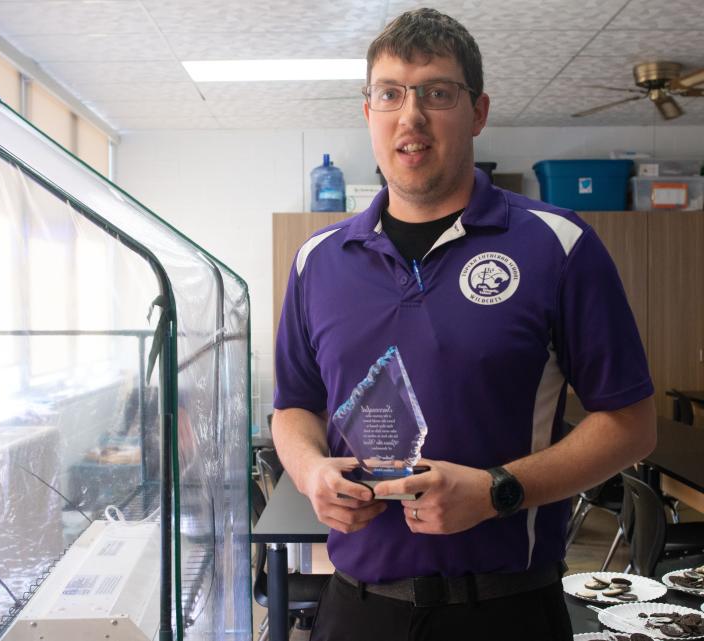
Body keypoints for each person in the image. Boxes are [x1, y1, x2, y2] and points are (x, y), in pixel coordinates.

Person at [271, 8, 656, 641]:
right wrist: (312, 471)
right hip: (355, 609)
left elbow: (631, 426)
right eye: (390, 93)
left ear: (477, 112)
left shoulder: (558, 245)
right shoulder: (318, 260)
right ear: (368, 112)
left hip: (507, 610)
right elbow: (294, 407)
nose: (411, 115)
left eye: (437, 93)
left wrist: (497, 490)